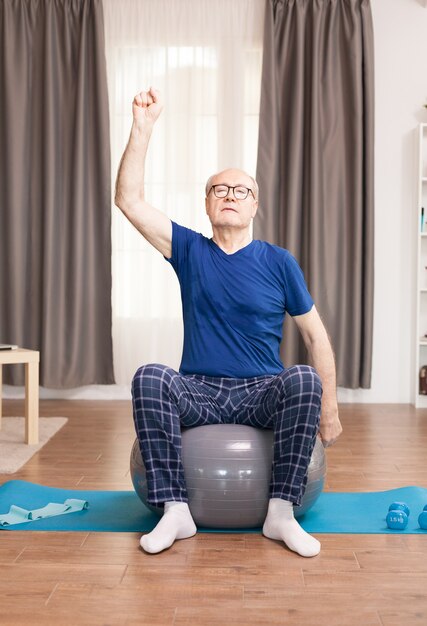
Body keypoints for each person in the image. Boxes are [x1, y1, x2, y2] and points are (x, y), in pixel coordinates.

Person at [115, 87, 342, 558]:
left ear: (255, 205)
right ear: (208, 204)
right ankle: (175, 511)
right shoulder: (190, 250)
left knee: (301, 377)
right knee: (149, 377)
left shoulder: (280, 262)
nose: (231, 195)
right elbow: (129, 200)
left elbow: (315, 337)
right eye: (220, 189)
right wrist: (142, 128)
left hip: (262, 390)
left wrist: (332, 409)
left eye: (241, 190)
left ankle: (280, 514)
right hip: (200, 390)